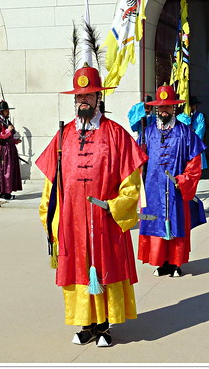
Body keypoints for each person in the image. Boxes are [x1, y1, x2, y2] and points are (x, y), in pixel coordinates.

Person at [36, 63, 148, 347]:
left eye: (88, 95)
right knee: (77, 268)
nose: (83, 100)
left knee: (104, 267)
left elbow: (132, 180)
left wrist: (116, 206)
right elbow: (52, 181)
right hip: (73, 220)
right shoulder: (64, 136)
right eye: (79, 96)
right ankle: (85, 325)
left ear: (100, 97)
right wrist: (50, 216)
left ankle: (105, 326)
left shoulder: (116, 134)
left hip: (104, 218)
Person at [137, 84, 206, 277]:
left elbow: (195, 161)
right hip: (153, 190)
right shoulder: (148, 132)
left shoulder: (184, 132)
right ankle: (161, 263)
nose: (164, 110)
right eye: (161, 107)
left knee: (176, 224)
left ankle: (176, 263)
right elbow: (137, 159)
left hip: (176, 188)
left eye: (168, 106)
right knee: (155, 223)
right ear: (157, 108)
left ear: (174, 108)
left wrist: (184, 180)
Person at [0, 100, 22, 200]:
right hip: (2, 150)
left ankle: (5, 192)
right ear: (1, 111)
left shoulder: (6, 121)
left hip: (9, 149)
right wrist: (8, 131)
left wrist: (15, 140)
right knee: (5, 170)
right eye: (6, 110)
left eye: (8, 110)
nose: (8, 112)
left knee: (9, 170)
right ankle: (5, 193)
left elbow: (8, 137)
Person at [177, 95, 208, 169]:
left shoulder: (199, 116)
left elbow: (201, 129)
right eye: (192, 105)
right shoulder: (180, 117)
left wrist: (193, 139)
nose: (194, 107)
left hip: (195, 141)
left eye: (194, 105)